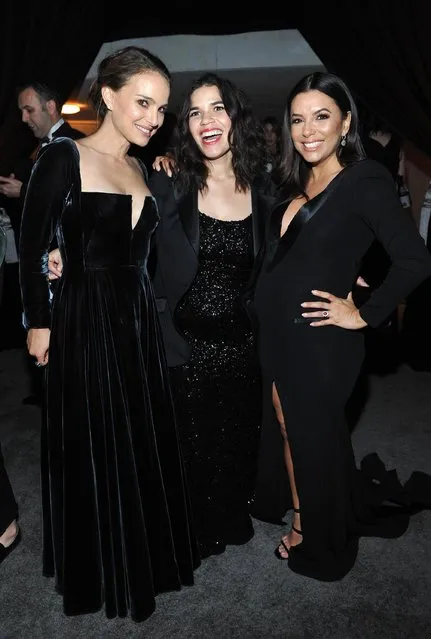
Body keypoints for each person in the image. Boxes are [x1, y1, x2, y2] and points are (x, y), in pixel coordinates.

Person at [51, 72, 277, 558]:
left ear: (237, 118)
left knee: (236, 439)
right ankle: (190, 529)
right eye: (194, 112)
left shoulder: (266, 193)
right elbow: (120, 233)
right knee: (185, 448)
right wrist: (68, 255)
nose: (206, 120)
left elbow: (284, 259)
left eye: (217, 108)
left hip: (241, 346)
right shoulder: (168, 181)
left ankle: (230, 516)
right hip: (180, 343)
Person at [19, 46, 199, 621]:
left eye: (161, 108)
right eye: (142, 102)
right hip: (82, 318)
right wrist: (39, 323)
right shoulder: (62, 156)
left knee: (137, 436)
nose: (152, 116)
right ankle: (98, 568)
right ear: (110, 96)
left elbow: (143, 255)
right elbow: (30, 246)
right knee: (90, 442)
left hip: (138, 321)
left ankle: (142, 554)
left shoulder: (145, 168)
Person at [247, 71, 431, 581]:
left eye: (321, 117)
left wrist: (364, 312)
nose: (308, 130)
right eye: (299, 120)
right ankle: (307, 509)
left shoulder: (364, 179)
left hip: (322, 339)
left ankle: (319, 538)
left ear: (345, 121)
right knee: (290, 427)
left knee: (312, 435)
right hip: (280, 335)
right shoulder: (295, 180)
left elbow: (415, 260)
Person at [0, 81, 86, 404]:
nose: (23, 118)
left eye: (29, 109)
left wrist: (23, 192)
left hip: (65, 270)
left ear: (51, 107)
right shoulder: (41, 148)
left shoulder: (74, 144)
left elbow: (77, 204)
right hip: (45, 268)